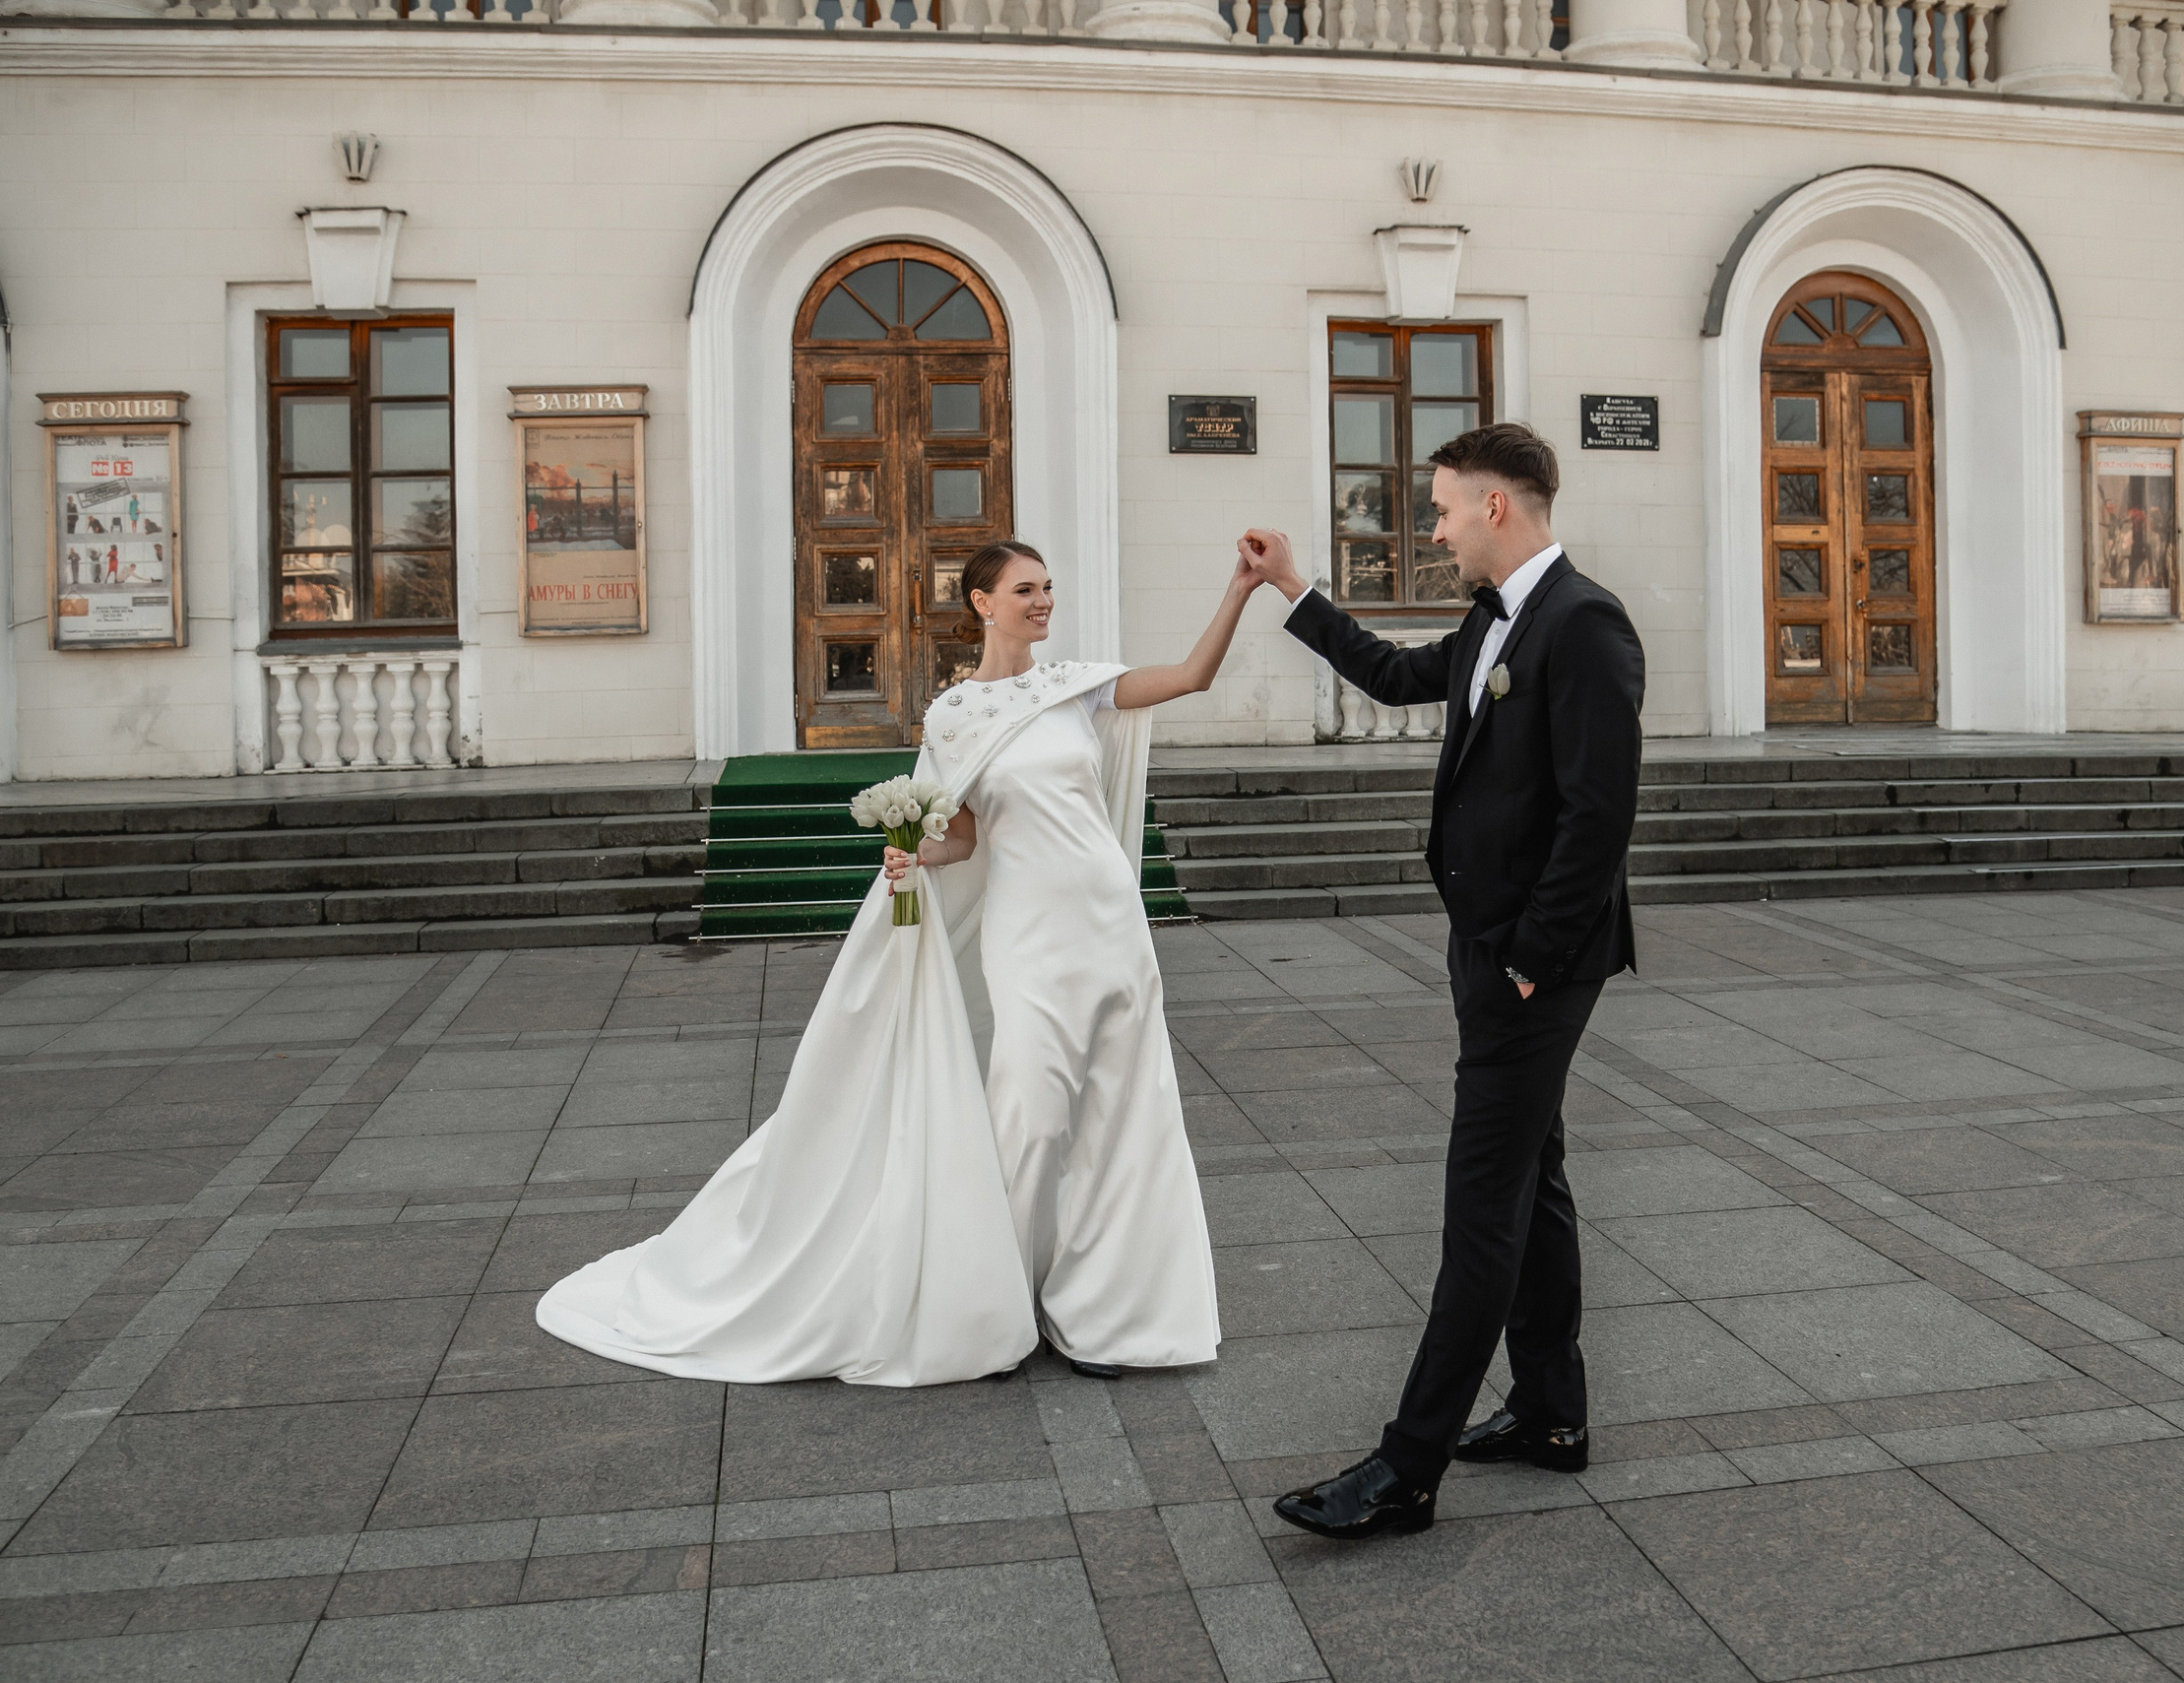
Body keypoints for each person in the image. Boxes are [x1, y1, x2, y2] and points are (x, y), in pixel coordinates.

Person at [539, 540, 1264, 1386]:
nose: (1043, 602)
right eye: (1025, 589)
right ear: (983, 603)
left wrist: (1241, 589)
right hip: (1030, 932)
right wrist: (912, 852)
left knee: (1124, 1116)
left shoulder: (1078, 688)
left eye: (1048, 589)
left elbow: (1190, 675)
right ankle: (997, 1302)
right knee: (1030, 1112)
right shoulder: (955, 717)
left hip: (1112, 924)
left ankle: (1107, 1313)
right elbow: (962, 834)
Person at [1242, 421, 1644, 1542]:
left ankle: (1406, 1468)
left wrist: (1526, 958)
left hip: (1535, 962)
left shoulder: (1584, 623)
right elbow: (1394, 671)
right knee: (1536, 1177)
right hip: (1491, 946)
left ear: (1496, 507)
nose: (1434, 525)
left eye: (1442, 508)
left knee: (1482, 1209)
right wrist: (1293, 588)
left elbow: (1599, 815)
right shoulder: (1489, 621)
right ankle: (1551, 1416)